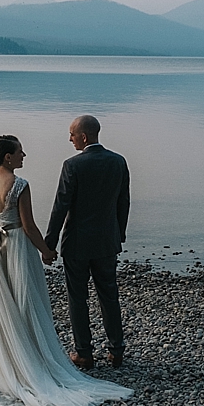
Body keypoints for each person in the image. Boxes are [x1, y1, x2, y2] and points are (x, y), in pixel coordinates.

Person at [0, 135, 132, 406]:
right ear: (8, 157)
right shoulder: (20, 185)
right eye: (20, 151)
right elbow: (29, 226)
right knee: (25, 301)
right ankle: (31, 357)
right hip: (17, 246)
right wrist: (46, 250)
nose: (25, 155)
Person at [44, 115, 130, 370]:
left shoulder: (72, 165)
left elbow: (61, 205)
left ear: (83, 137)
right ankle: (116, 351)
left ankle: (84, 352)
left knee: (77, 297)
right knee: (109, 295)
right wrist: (119, 234)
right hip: (106, 240)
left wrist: (49, 243)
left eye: (72, 134)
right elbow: (123, 202)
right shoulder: (118, 161)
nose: (69, 138)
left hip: (77, 243)